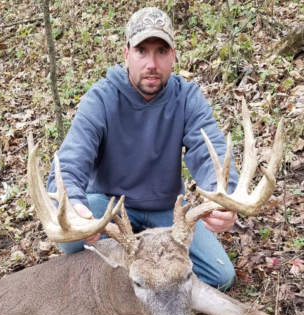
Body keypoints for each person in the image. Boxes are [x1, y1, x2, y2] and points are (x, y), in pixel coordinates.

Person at [47, 7, 239, 290]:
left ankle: (140, 285)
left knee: (220, 276)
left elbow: (210, 149)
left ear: (173, 56)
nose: (152, 63)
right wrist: (74, 204)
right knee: (73, 236)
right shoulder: (101, 99)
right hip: (111, 207)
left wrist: (226, 199)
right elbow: (69, 163)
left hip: (166, 211)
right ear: (126, 54)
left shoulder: (187, 98)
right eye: (141, 51)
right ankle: (129, 286)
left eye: (161, 51)